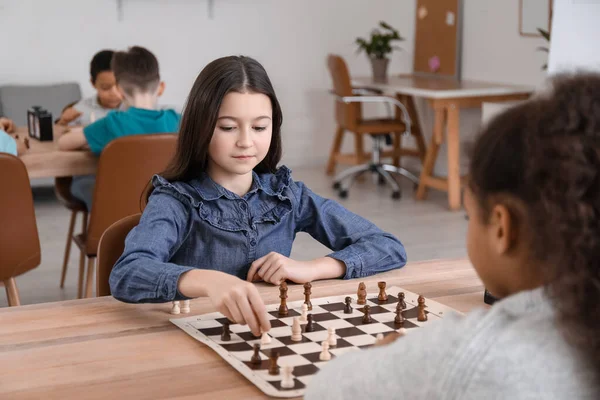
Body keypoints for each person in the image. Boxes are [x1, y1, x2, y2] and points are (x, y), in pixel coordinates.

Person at [305, 73, 600, 399]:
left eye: (470, 215)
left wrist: (400, 361)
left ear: (502, 228)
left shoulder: (471, 356)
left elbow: (323, 391)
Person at [109, 56, 407, 337]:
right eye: (227, 127)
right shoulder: (175, 200)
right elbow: (128, 273)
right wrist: (207, 281)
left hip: (265, 336)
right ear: (201, 127)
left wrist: (311, 268)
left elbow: (387, 247)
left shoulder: (286, 194)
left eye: (259, 127)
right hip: (190, 339)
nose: (246, 141)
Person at [58, 46, 180, 210]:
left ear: (119, 91)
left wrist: (87, 136)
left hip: (119, 208)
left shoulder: (112, 123)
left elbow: (64, 143)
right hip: (165, 207)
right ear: (161, 87)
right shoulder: (178, 120)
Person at [57, 49, 124, 126]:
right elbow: (58, 136)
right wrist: (63, 122)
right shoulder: (80, 111)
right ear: (93, 83)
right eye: (105, 87)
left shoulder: (135, 107)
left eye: (120, 86)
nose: (114, 93)